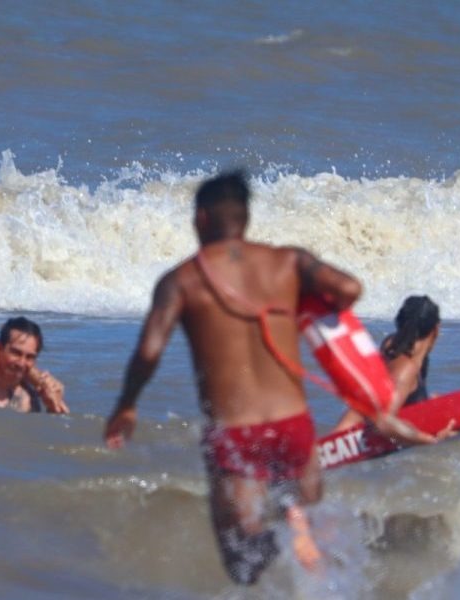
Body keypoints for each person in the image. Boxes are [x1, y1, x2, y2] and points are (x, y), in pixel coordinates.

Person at [103, 170, 362, 584]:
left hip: (236, 432)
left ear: (201, 219)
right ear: (245, 217)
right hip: (292, 424)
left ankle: (280, 539)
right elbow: (349, 288)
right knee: (312, 545)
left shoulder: (181, 280)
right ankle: (296, 526)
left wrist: (126, 405)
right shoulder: (290, 262)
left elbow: (149, 350)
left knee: (242, 562)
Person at [331, 295, 445, 435]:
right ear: (436, 329)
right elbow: (382, 423)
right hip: (368, 428)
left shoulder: (391, 345)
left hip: (355, 417)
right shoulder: (406, 369)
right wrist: (429, 439)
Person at [0, 317, 69, 413]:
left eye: (29, 357)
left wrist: (52, 407)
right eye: (16, 353)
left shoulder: (28, 399)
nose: (21, 363)